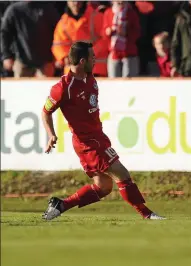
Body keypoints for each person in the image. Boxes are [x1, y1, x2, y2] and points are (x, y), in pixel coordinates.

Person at [42, 42, 165, 220]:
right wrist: (51, 134)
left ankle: (61, 205)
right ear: (82, 61)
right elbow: (45, 112)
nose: (95, 59)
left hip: (99, 137)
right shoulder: (62, 88)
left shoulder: (91, 79)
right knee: (121, 173)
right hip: (87, 143)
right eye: (92, 57)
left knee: (103, 187)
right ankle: (147, 214)